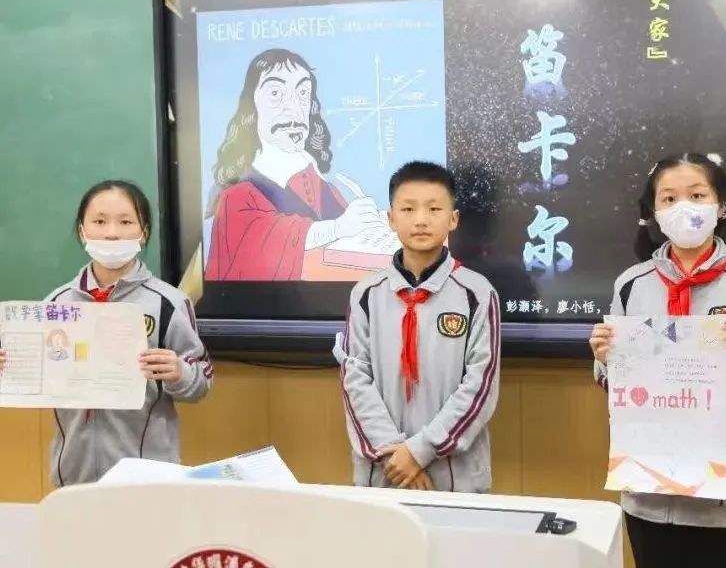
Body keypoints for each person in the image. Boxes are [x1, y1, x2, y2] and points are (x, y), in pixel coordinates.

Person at [590, 153, 726, 568]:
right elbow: (615, 386)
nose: (683, 207)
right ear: (654, 212)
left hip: (724, 501)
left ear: (721, 205)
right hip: (649, 492)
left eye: (697, 195)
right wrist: (607, 360)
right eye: (669, 199)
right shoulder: (631, 286)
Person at [0, 180, 213, 486]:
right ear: (82, 231)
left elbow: (202, 380)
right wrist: (11, 368)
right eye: (99, 222)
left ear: (144, 232)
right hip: (73, 475)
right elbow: (33, 377)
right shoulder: (56, 305)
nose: (112, 233)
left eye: (125, 222)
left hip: (148, 477)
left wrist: (180, 372)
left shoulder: (168, 303)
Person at [339, 161, 500, 492]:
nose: (421, 220)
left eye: (434, 209)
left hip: (454, 479)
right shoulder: (366, 294)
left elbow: (480, 386)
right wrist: (397, 457)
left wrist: (419, 451)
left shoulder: (477, 293)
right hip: (385, 474)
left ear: (453, 218)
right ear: (391, 218)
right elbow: (355, 380)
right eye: (408, 209)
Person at [204, 48, 382, 281]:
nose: (294, 109)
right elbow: (268, 246)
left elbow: (350, 238)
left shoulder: (320, 184)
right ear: (251, 107)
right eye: (275, 93)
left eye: (303, 93)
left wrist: (372, 224)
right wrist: (337, 228)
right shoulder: (237, 194)